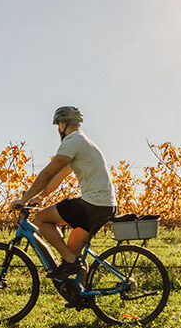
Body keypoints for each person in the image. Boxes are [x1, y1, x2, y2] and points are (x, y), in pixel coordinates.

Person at [10, 106, 117, 292]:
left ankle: (69, 262)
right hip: (104, 205)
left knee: (41, 218)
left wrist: (23, 198)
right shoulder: (83, 142)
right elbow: (59, 176)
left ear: (62, 124)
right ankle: (83, 294)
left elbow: (48, 173)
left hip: (93, 204)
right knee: (74, 253)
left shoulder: (72, 141)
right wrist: (41, 196)